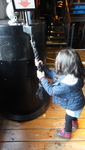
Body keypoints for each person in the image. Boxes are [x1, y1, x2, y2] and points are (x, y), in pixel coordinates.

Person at [35, 48, 85, 139]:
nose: (56, 63)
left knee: (68, 118)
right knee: (72, 115)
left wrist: (42, 79)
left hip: (74, 105)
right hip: (75, 102)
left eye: (58, 61)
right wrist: (42, 67)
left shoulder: (68, 82)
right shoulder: (71, 72)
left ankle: (67, 133)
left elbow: (51, 91)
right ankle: (74, 121)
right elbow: (51, 74)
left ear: (65, 66)